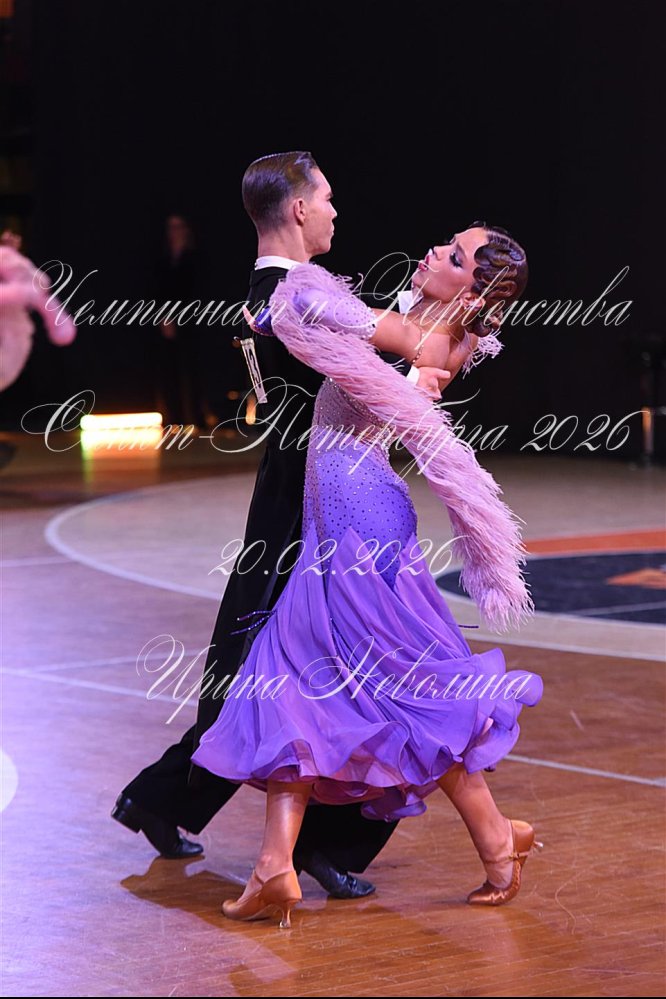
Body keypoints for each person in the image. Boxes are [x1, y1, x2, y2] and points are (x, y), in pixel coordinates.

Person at [112, 152, 451, 898]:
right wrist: (441, 341)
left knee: (267, 668)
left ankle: (169, 800)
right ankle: (328, 843)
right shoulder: (297, 293)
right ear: (298, 209)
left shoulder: (272, 289)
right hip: (313, 496)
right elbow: (371, 370)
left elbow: (353, 365)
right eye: (326, 198)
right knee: (361, 663)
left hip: (298, 487)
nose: (335, 210)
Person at [190, 224, 545, 928]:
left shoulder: (420, 337)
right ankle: (276, 865)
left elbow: (322, 307)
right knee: (299, 678)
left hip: (360, 528)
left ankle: (495, 839)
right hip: (339, 522)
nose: (434, 252)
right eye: (446, 242)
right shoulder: (429, 329)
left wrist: (281, 295)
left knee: (392, 690)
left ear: (473, 293)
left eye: (453, 256)